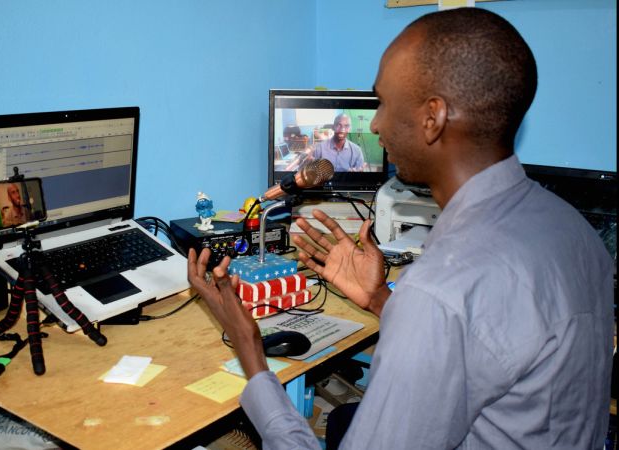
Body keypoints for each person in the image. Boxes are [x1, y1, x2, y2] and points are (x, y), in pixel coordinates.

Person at [188, 7, 614, 450]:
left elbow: (454, 313)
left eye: (383, 103)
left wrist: (252, 356)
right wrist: (379, 299)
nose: (375, 123)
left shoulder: (439, 289)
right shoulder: (574, 230)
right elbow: (492, 349)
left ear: (433, 118)